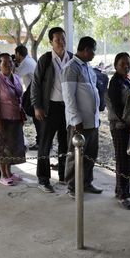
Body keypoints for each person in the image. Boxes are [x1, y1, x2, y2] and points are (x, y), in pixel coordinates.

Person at [31, 27, 73, 193]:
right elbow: (35, 84)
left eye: (63, 38)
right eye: (57, 40)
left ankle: (64, 176)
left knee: (66, 143)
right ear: (51, 42)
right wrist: (37, 106)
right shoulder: (46, 59)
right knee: (45, 144)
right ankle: (43, 179)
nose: (61, 42)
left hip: (68, 109)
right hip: (49, 108)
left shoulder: (71, 58)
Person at [62, 36, 102, 199]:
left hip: (92, 121)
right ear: (86, 49)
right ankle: (72, 186)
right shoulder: (71, 68)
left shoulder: (87, 67)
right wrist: (76, 119)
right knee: (75, 155)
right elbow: (68, 97)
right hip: (79, 123)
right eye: (93, 51)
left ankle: (86, 182)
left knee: (91, 153)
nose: (94, 54)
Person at [0, 53, 26, 186]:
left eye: (10, 62)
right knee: (2, 148)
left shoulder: (16, 78)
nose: (8, 65)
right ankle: (3, 175)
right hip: (2, 118)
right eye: (5, 63)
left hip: (15, 117)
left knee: (11, 147)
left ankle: (9, 172)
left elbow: (20, 97)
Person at [106, 52, 130, 210]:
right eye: (122, 64)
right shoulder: (115, 83)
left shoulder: (128, 81)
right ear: (115, 66)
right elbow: (117, 108)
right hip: (119, 127)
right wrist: (129, 121)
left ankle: (125, 189)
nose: (126, 66)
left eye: (128, 63)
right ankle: (121, 194)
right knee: (122, 160)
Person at [14, 45, 40, 150]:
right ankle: (40, 140)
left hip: (33, 93)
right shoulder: (29, 60)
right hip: (33, 93)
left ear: (19, 54)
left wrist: (12, 66)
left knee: (37, 118)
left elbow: (15, 75)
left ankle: (40, 141)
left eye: (16, 55)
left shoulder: (26, 63)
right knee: (36, 118)